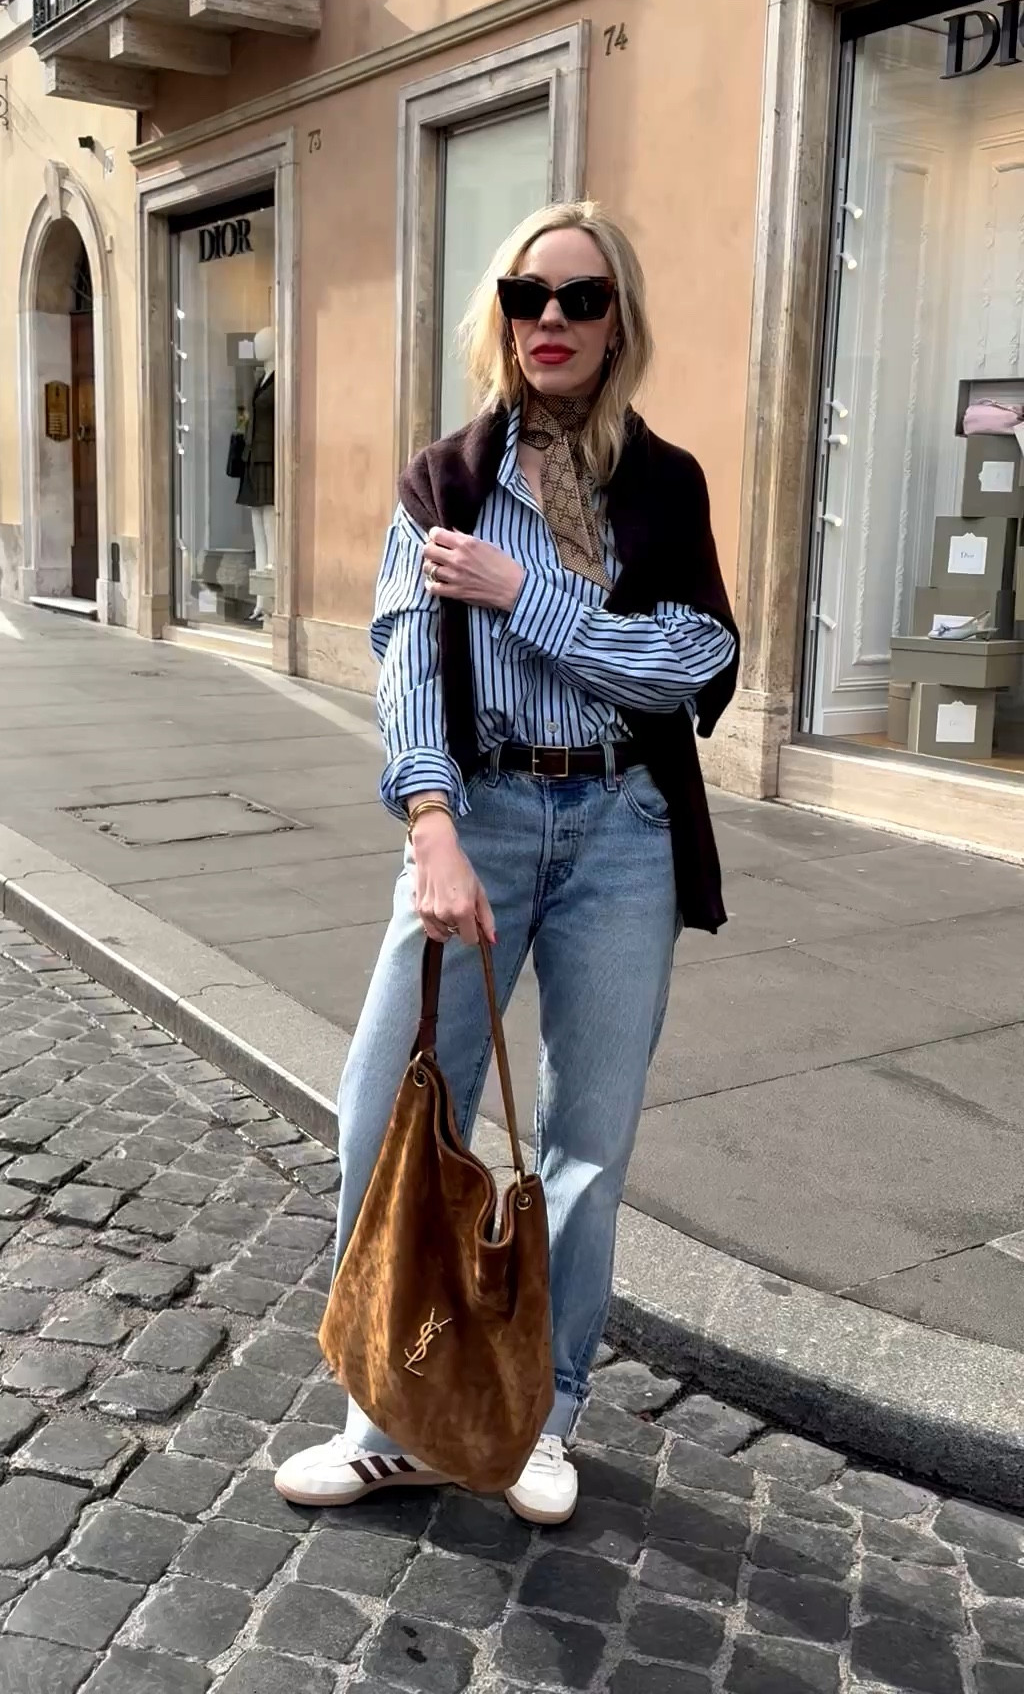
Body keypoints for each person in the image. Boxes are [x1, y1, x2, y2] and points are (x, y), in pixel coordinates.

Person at [274, 199, 738, 1525]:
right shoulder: (448, 481)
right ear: (501, 312)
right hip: (475, 812)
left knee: (585, 1145)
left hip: (622, 830)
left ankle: (544, 1414)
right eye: (530, 295)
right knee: (389, 1117)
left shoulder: (663, 483)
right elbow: (406, 655)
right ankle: (394, 1418)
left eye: (582, 300)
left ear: (616, 323)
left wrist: (523, 597)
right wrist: (430, 829)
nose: (553, 321)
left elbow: (694, 662)